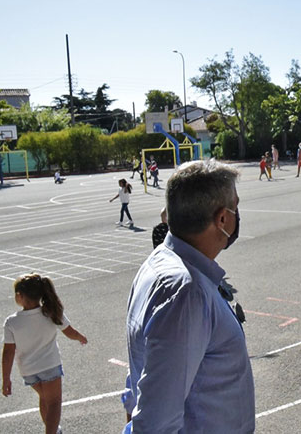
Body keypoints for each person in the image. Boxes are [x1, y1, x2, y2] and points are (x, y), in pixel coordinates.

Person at [125, 159, 254, 433]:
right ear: (222, 218)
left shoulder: (159, 263)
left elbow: (139, 379)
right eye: (236, 206)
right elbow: (155, 423)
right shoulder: (187, 293)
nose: (237, 214)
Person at [2, 274, 88, 434]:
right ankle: (52, 431)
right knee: (54, 402)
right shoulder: (51, 312)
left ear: (19, 296)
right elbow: (69, 332)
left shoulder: (11, 322)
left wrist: (6, 379)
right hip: (50, 366)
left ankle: (54, 429)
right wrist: (80, 337)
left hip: (28, 372)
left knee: (45, 398)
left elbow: (8, 353)